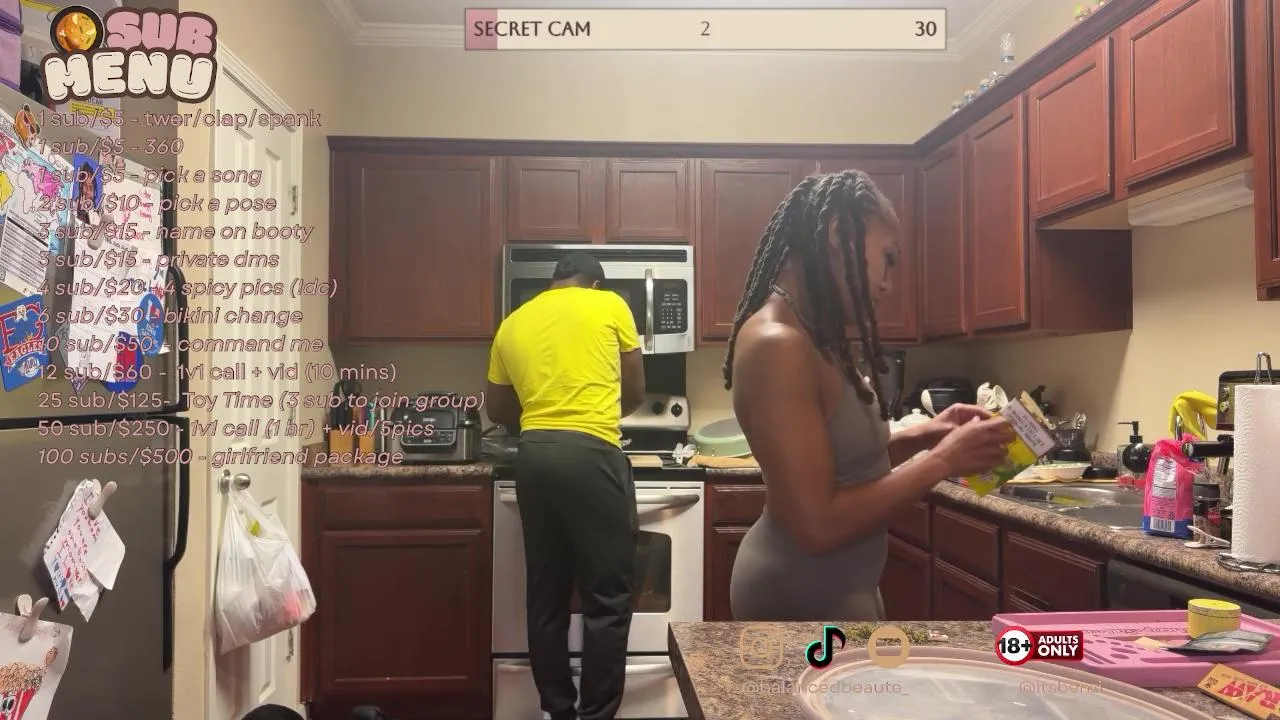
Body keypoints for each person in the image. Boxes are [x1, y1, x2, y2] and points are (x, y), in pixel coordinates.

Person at [723, 170, 1016, 621]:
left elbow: (845, 466)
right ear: (839, 234)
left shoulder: (815, 336)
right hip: (796, 599)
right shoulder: (776, 344)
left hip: (843, 590)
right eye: (888, 258)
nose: (888, 283)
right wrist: (941, 461)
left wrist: (927, 436)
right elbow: (816, 526)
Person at [485, 252, 646, 720]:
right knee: (607, 598)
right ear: (594, 283)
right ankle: (597, 715)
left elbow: (498, 410)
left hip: (535, 457)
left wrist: (544, 410)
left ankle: (558, 711)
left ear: (555, 281)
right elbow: (634, 393)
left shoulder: (513, 322)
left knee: (546, 597)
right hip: (593, 455)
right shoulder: (610, 304)